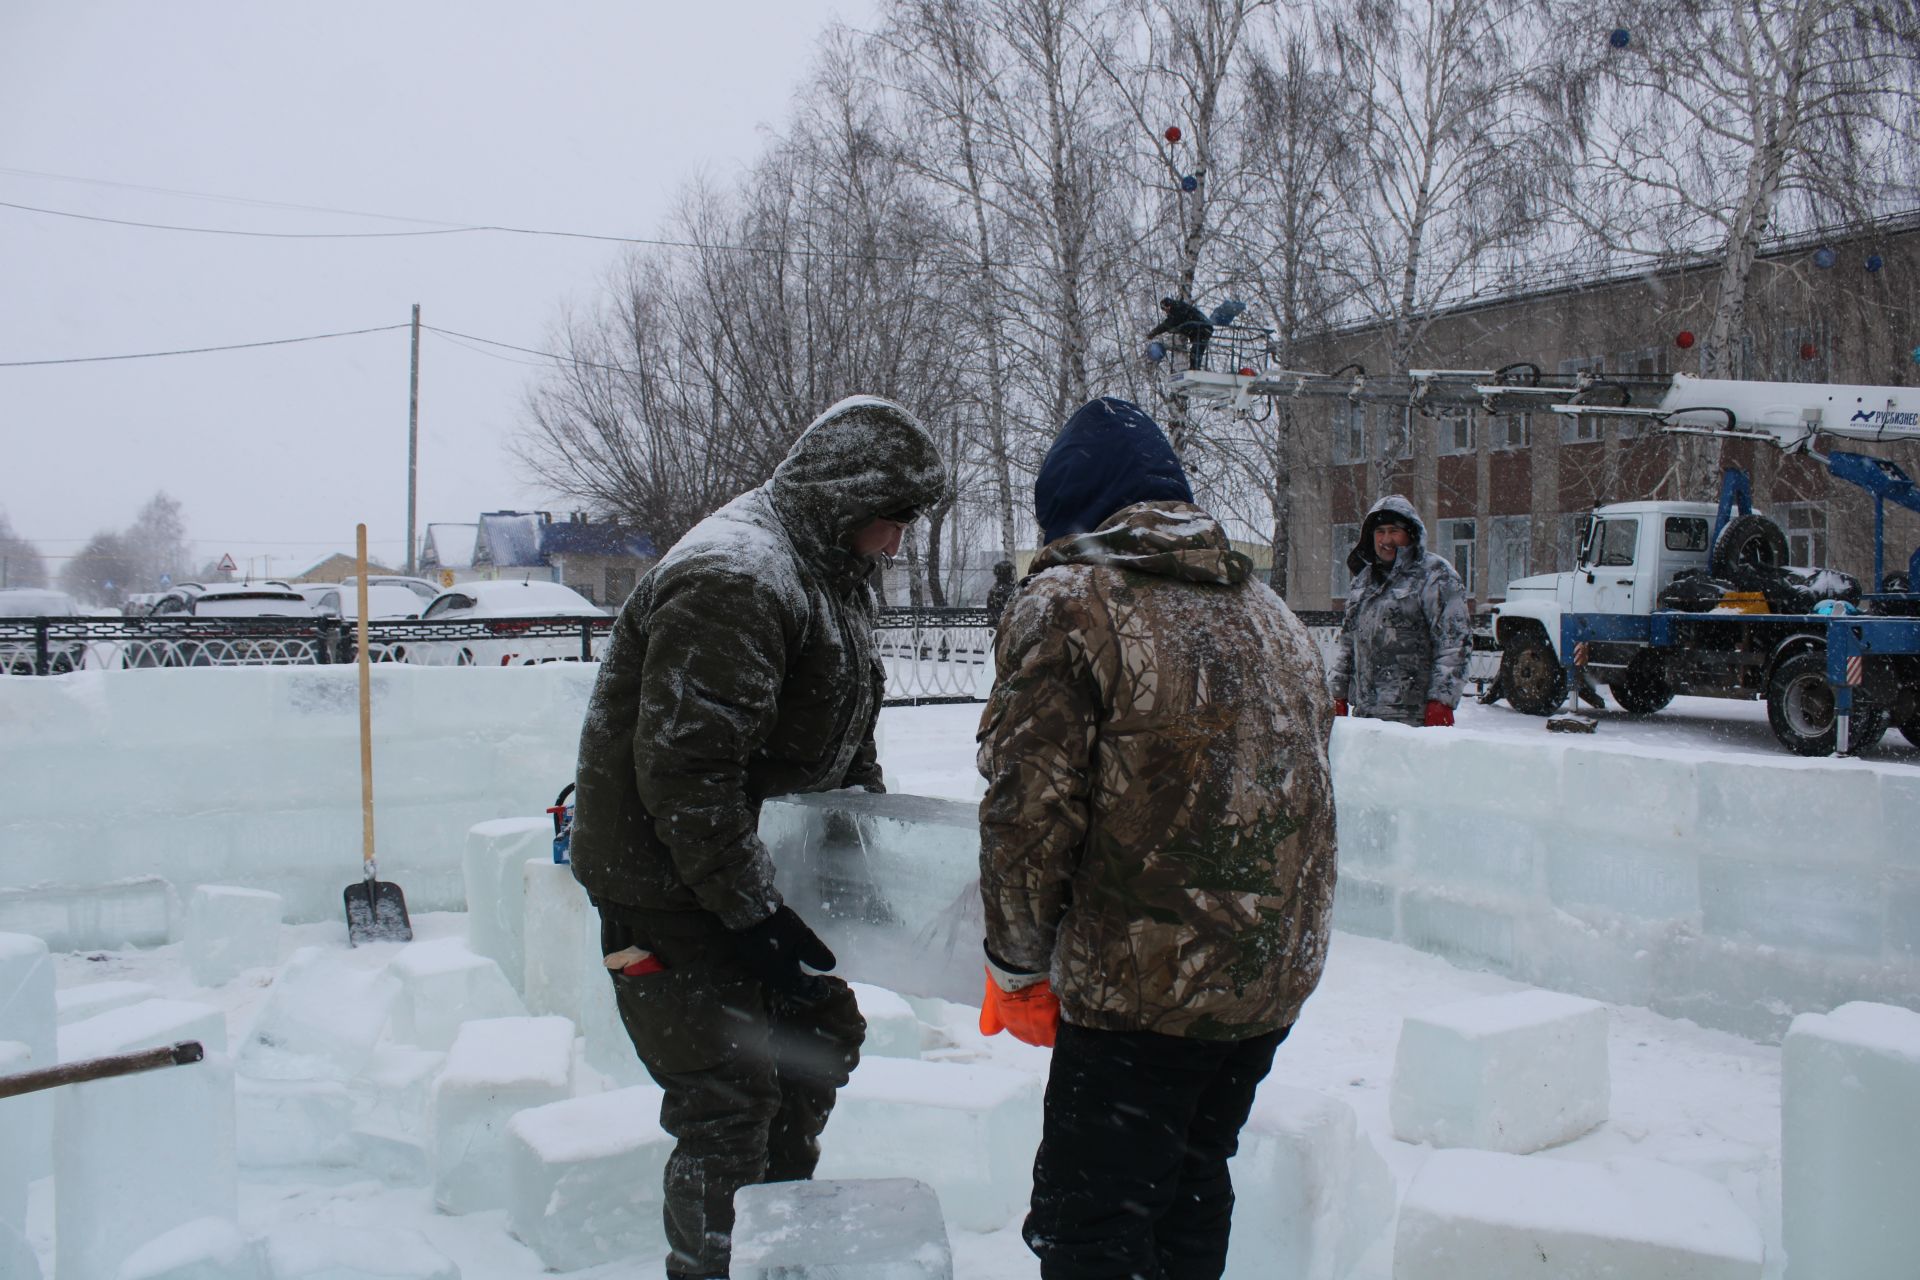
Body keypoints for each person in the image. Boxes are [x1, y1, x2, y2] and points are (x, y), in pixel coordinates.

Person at [567, 395, 947, 1280]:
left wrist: (865, 868)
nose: (895, 543)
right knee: (727, 1100)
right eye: (890, 520)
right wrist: (757, 915)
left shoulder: (828, 576)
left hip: (755, 877)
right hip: (667, 888)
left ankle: (775, 1245)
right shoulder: (735, 577)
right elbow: (688, 776)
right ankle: (719, 1266)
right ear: (846, 495)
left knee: (816, 1050)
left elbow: (847, 743)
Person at [975, 396, 1338, 1280]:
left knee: (1091, 1227)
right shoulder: (1270, 611)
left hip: (1144, 992)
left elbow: (1030, 808)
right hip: (1266, 979)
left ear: (1072, 512)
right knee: (1186, 1188)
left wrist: (1017, 965)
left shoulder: (1071, 602)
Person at [1330, 495, 1471, 727]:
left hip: (1415, 719)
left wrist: (1441, 701)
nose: (1386, 539)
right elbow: (1347, 644)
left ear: (1410, 534)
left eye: (1394, 531)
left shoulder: (1435, 575)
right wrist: (1337, 693)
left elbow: (1454, 643)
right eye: (1380, 531)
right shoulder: (1364, 582)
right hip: (1366, 716)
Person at [1146, 296, 1214, 370]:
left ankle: (1194, 368)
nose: (1166, 312)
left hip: (1202, 328)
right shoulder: (1179, 308)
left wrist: (1154, 332)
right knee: (1196, 350)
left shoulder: (1177, 309)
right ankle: (1194, 367)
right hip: (1201, 328)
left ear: (1168, 306)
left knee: (1196, 350)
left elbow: (1167, 324)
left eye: (1166, 309)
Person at [984, 558, 1017, 628]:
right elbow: (1014, 608)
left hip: (996, 626)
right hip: (1004, 628)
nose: (1012, 575)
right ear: (1006, 574)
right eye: (1010, 572)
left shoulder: (994, 588)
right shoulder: (1006, 590)